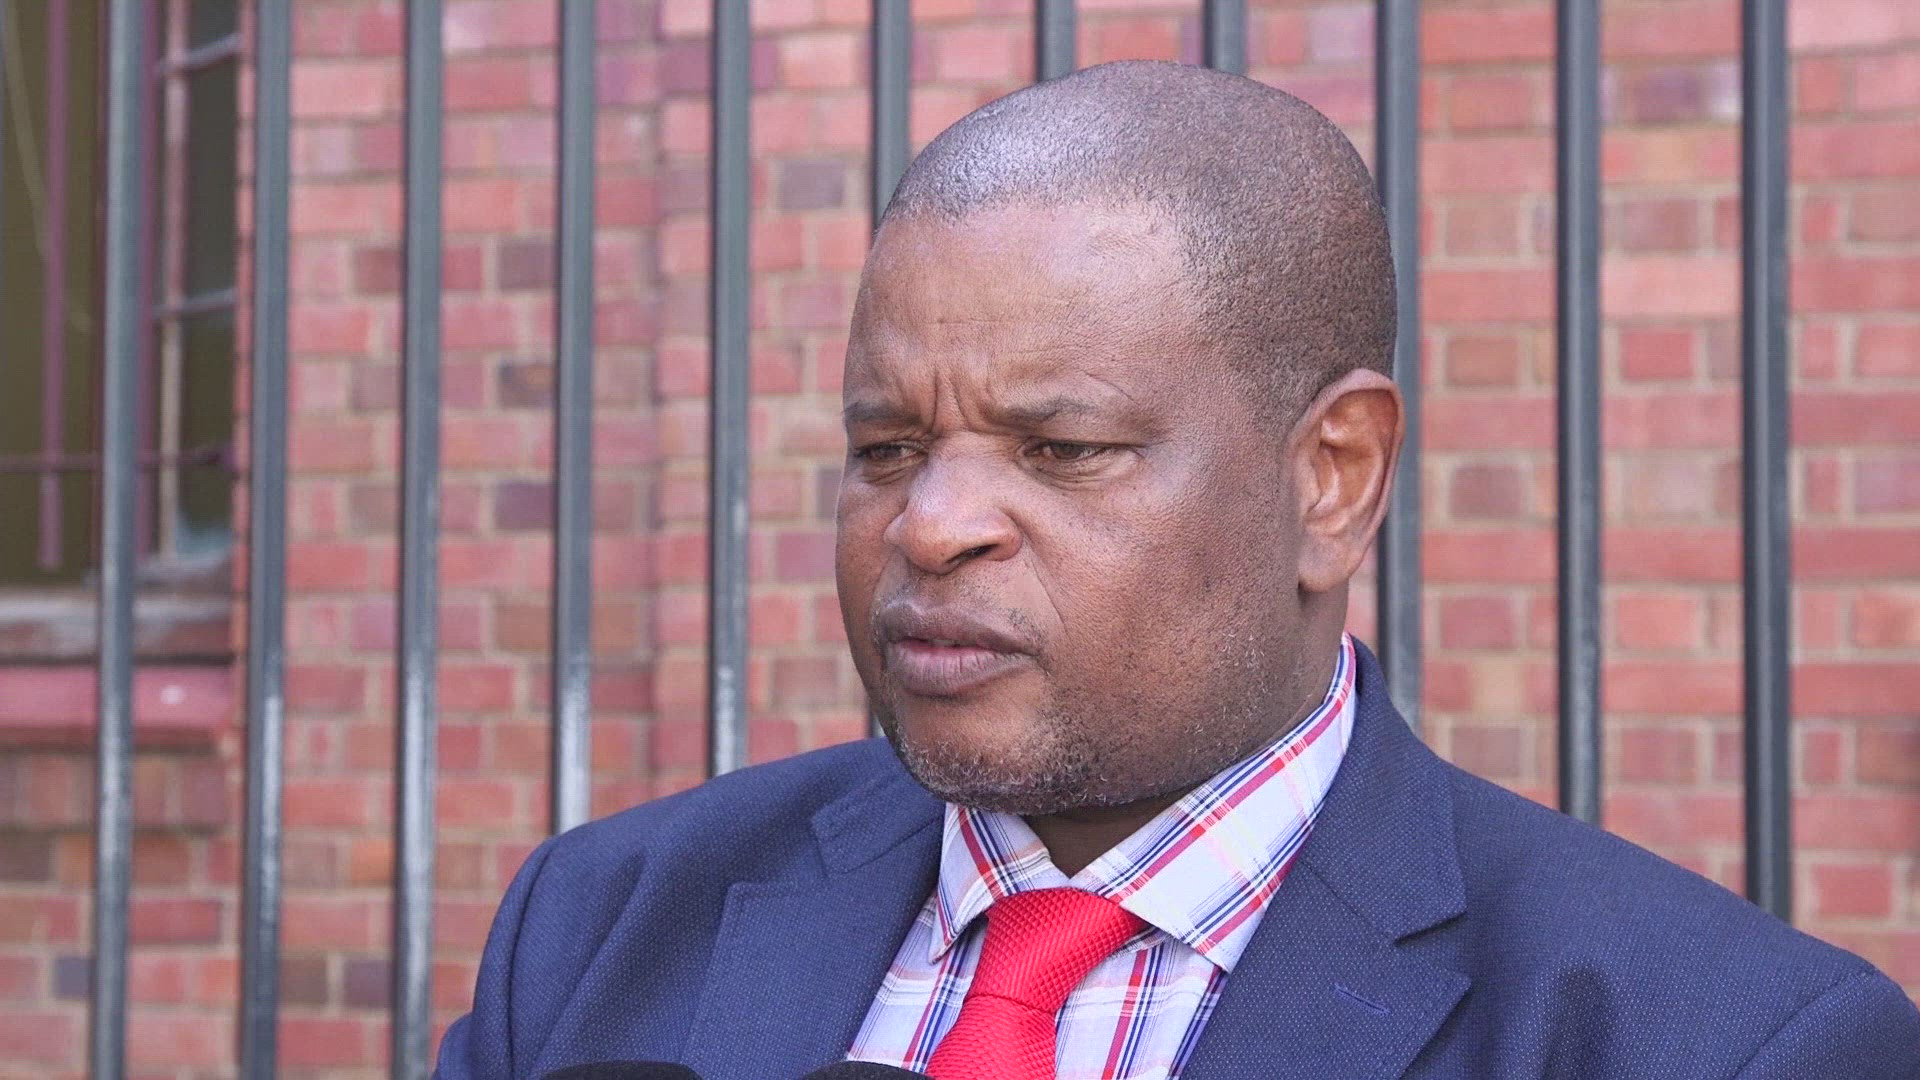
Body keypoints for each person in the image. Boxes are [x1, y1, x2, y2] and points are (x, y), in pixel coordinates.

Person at [434, 61, 1920, 1080]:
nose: (932, 524)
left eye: (1062, 449)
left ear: (1333, 477)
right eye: (887, 447)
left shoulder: (1712, 1040)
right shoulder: (598, 931)